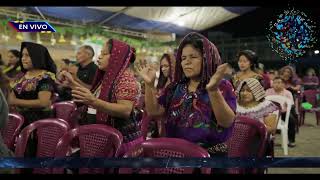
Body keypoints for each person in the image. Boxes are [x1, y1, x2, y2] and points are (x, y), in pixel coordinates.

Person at [136, 32, 236, 165]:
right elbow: (155, 112)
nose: (186, 62)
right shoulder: (175, 87)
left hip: (210, 161)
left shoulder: (223, 86)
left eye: (193, 57)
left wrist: (212, 90)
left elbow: (226, 122)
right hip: (175, 156)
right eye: (183, 58)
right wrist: (149, 85)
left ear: (208, 58)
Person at [60, 39, 142, 156]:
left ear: (116, 57)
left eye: (104, 54)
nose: (99, 57)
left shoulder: (125, 79)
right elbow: (94, 97)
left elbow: (125, 110)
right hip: (102, 139)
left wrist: (94, 102)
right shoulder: (109, 77)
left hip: (120, 144)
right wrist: (72, 83)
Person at [8, 42, 57, 160]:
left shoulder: (45, 77)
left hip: (37, 124)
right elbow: (11, 97)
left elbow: (43, 102)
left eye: (27, 56)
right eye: (22, 55)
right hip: (20, 121)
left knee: (31, 155)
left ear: (37, 57)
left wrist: (16, 102)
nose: (23, 59)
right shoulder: (22, 76)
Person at [266, 77, 296, 147]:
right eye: (275, 82)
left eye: (279, 82)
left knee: (292, 120)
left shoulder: (288, 93)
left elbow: (291, 105)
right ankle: (268, 139)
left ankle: (291, 141)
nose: (277, 84)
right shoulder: (268, 91)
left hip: (283, 113)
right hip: (270, 113)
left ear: (283, 84)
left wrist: (283, 109)